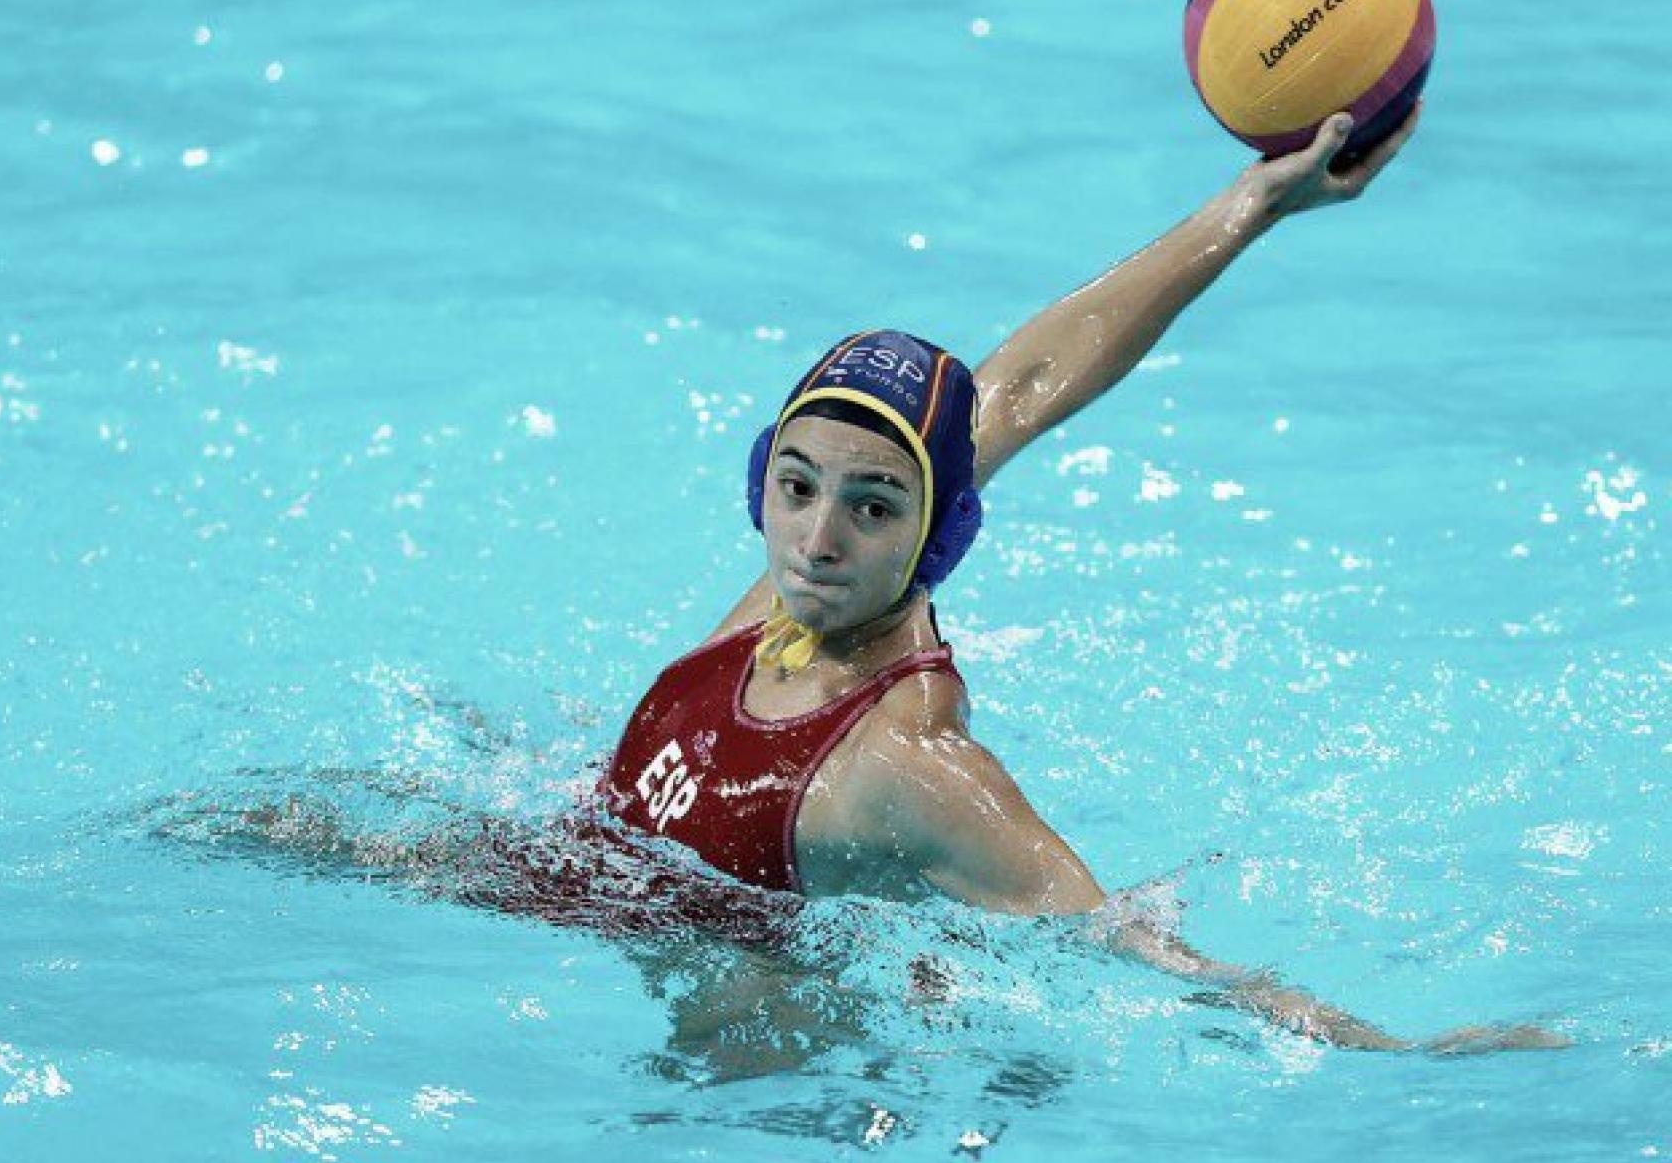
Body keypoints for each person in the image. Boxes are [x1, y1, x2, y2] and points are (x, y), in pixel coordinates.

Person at [599, 105, 1568, 1054]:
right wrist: (1253, 202)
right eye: (796, 486)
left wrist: (1389, 1047)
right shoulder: (792, 605)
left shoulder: (904, 762)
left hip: (759, 1070)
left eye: (873, 505)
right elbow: (1021, 384)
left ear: (938, 527)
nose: (816, 538)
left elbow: (1128, 944)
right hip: (585, 906)